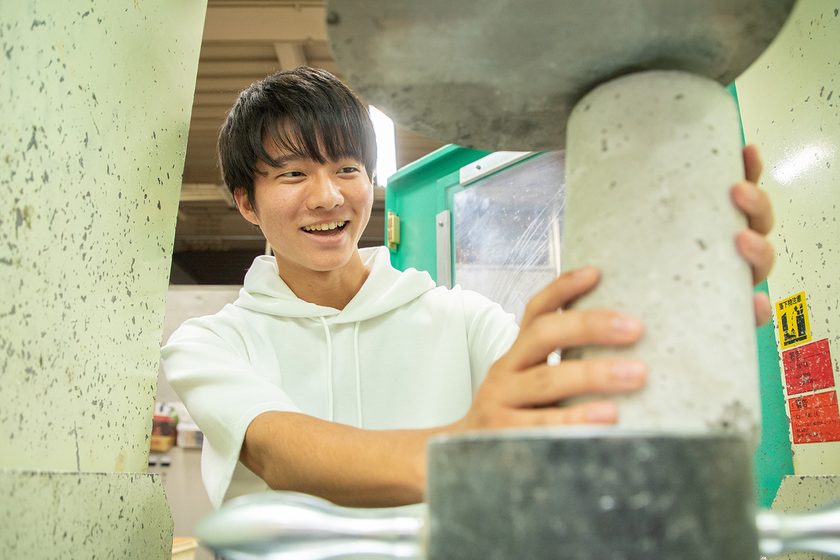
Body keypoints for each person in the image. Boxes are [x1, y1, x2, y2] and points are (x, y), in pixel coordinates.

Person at [161, 67, 774, 510]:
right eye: (294, 174)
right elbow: (278, 452)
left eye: (347, 169)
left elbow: (577, 423)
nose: (328, 196)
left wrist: (673, 306)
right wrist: (470, 445)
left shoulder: (464, 320)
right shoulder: (213, 343)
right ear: (246, 202)